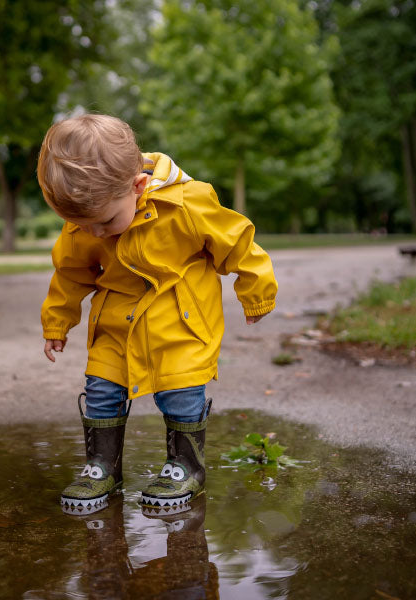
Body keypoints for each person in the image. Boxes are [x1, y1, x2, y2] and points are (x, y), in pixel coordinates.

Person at [38, 114, 277, 511]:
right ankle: (103, 467)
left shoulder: (186, 202)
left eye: (106, 222)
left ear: (138, 186)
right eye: (83, 225)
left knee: (182, 395)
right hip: (115, 323)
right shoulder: (89, 218)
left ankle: (186, 467)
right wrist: (57, 322)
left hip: (179, 324)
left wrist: (257, 292)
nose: (96, 234)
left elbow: (237, 243)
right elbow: (71, 273)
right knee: (101, 391)